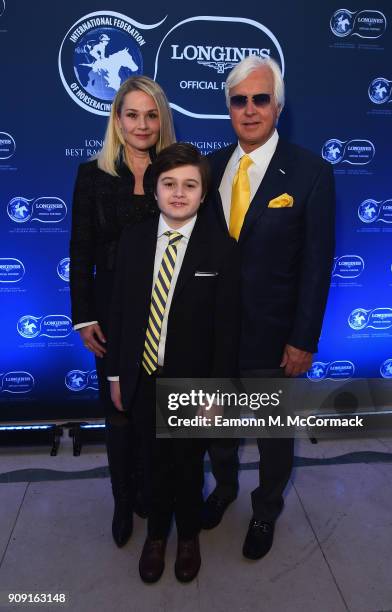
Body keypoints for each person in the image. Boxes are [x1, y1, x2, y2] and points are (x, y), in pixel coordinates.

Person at [204, 56, 336, 560]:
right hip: (213, 334)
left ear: (277, 106)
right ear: (229, 109)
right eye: (240, 101)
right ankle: (223, 489)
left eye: (261, 99)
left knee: (272, 437)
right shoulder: (209, 166)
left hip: (274, 336)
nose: (250, 109)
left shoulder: (311, 172)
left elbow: (317, 265)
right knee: (214, 425)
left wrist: (303, 339)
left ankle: (265, 509)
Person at [107, 143, 240, 583]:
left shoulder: (220, 250)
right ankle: (156, 536)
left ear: (204, 194)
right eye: (169, 184)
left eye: (190, 185)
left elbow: (226, 330)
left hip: (193, 384)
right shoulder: (134, 240)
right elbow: (120, 314)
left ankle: (187, 537)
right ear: (155, 190)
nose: (178, 194)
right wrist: (115, 374)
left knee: (186, 467)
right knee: (151, 463)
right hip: (143, 377)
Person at [69, 75, 176, 549]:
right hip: (110, 310)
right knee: (118, 410)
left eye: (151, 114)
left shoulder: (175, 171)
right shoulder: (92, 174)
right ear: (117, 119)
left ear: (161, 119)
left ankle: (150, 492)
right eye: (132, 114)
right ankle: (121, 497)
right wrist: (83, 316)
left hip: (163, 306)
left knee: (153, 406)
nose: (142, 124)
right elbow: (80, 249)